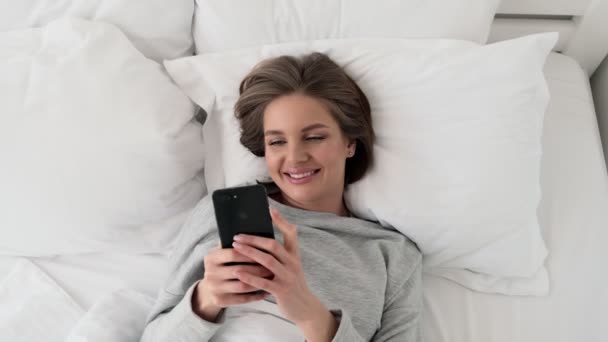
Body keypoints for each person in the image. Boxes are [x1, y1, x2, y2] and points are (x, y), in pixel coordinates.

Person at [140, 52, 422, 342]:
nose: (295, 157)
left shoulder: (392, 255)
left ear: (350, 142)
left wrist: (310, 314)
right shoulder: (218, 215)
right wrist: (206, 299)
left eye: (314, 137)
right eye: (277, 142)